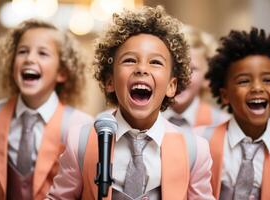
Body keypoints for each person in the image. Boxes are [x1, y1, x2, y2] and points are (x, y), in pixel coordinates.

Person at [47, 5, 214, 200]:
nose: (142, 69)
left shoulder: (194, 149)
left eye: (155, 62)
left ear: (171, 86)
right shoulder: (81, 141)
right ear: (110, 81)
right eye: (129, 60)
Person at [0, 19, 93, 200]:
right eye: (22, 51)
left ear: (62, 72)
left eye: (43, 53)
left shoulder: (79, 124)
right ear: (11, 64)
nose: (30, 59)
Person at [200, 27, 270, 199]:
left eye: (267, 80)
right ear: (225, 95)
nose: (257, 88)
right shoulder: (201, 141)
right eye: (244, 81)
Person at [163, 26, 229, 133]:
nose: (181, 76)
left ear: (207, 77)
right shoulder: (145, 120)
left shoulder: (222, 124)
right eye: (174, 67)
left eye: (191, 69)